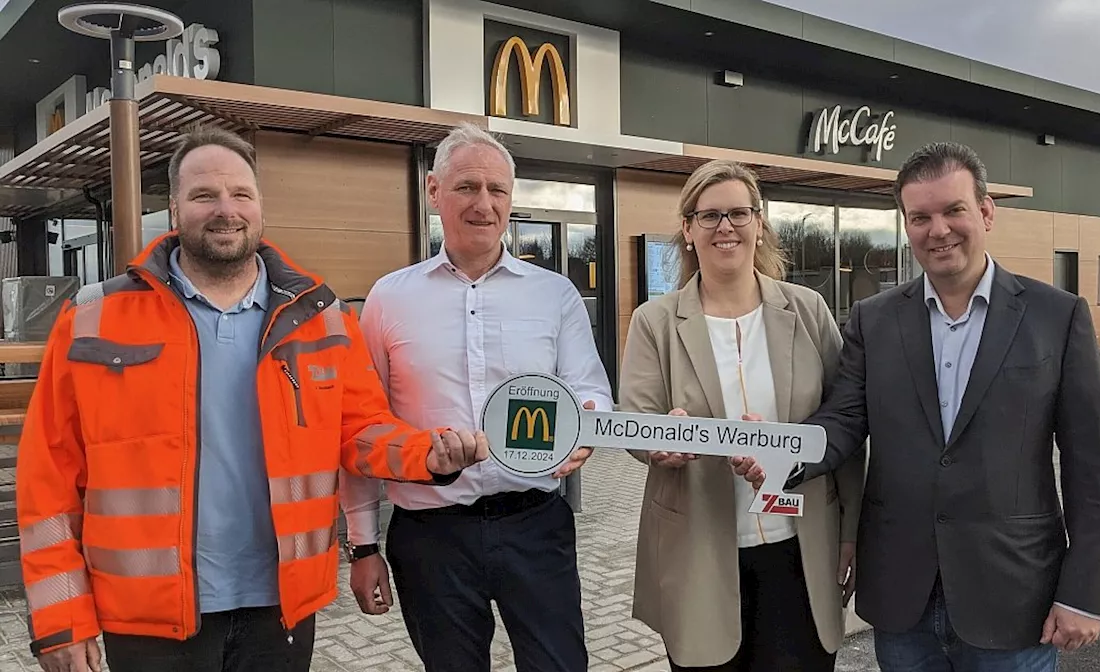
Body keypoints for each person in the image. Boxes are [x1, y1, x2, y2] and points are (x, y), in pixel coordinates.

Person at [16, 124, 489, 672]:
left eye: (241, 194)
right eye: (204, 195)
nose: (226, 209)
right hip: (145, 619)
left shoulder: (319, 315)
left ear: (261, 205)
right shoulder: (95, 318)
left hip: (279, 610)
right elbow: (46, 479)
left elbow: (360, 430)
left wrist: (426, 455)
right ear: (174, 209)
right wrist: (61, 620)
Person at [790, 141, 1100, 671]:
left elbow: (1093, 466)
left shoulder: (1056, 317)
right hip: (903, 597)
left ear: (986, 211)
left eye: (953, 210)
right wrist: (779, 450)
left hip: (1015, 597)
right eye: (919, 217)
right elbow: (844, 420)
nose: (937, 230)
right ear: (906, 226)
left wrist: (1085, 591)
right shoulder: (873, 321)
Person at [338, 122, 614, 672]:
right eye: (467, 187)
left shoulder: (554, 294)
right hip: (431, 538)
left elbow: (590, 392)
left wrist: (587, 428)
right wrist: (364, 546)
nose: (483, 204)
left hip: (535, 525)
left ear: (512, 200)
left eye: (497, 190)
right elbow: (361, 430)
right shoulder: (390, 299)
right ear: (435, 192)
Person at [617, 159, 865, 671]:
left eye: (738, 213)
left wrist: (850, 534)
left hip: (800, 548)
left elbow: (844, 426)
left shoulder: (808, 310)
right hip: (699, 549)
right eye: (708, 216)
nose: (724, 226)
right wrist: (657, 443)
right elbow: (636, 419)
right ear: (688, 230)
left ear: (759, 223)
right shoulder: (654, 322)